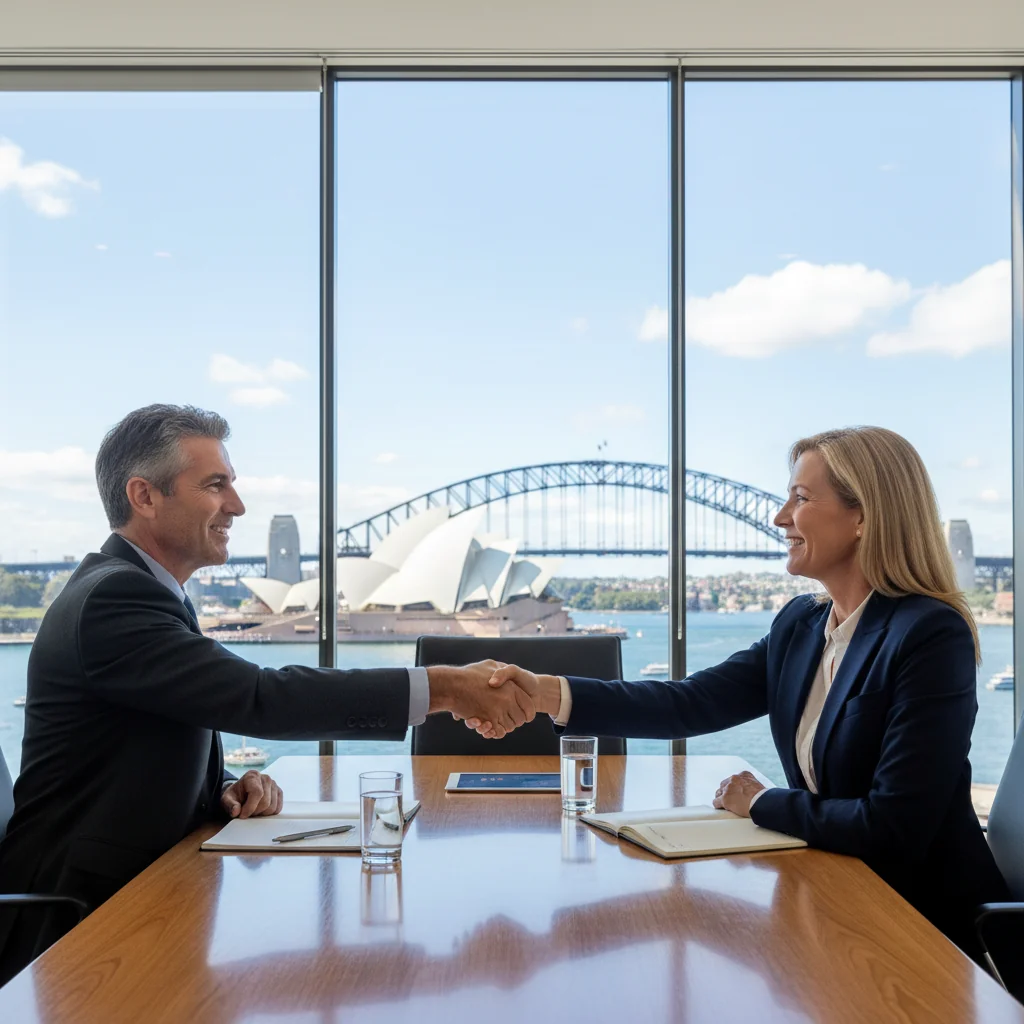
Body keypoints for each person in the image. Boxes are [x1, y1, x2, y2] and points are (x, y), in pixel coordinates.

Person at [0, 404, 536, 984]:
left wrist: (223, 791)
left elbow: (135, 748)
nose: (237, 505)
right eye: (215, 485)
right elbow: (260, 697)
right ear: (144, 495)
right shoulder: (114, 600)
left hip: (142, 895)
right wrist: (446, 688)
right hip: (79, 928)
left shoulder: (144, 592)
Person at [476, 426, 1009, 961]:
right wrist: (545, 692)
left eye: (800, 498)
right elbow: (689, 703)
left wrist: (760, 802)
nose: (779, 517)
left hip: (926, 934)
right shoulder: (800, 625)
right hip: (835, 903)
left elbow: (892, 829)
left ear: (863, 516)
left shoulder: (930, 635)